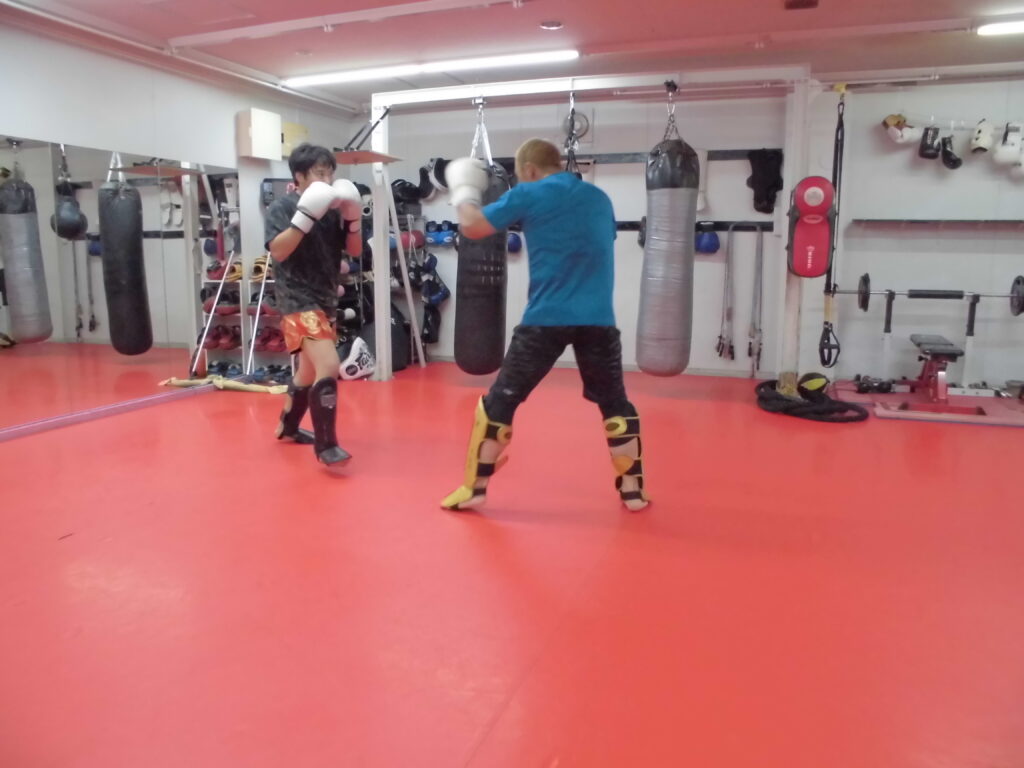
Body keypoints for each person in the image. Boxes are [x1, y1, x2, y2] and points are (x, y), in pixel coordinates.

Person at [440, 138, 649, 512]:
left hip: (546, 318)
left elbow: (472, 227)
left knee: (500, 400)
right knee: (615, 404)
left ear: (529, 170)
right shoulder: (600, 198)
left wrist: (464, 191)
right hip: (599, 320)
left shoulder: (530, 192)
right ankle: (633, 491)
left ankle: (475, 488)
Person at [264, 143, 363, 471]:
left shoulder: (333, 209)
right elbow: (278, 251)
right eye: (320, 173)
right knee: (329, 365)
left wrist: (353, 220)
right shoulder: (282, 207)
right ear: (299, 176)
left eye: (330, 173)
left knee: (308, 372)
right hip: (296, 298)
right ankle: (327, 445)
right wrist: (305, 217)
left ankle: (288, 426)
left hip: (325, 299)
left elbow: (355, 251)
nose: (327, 180)